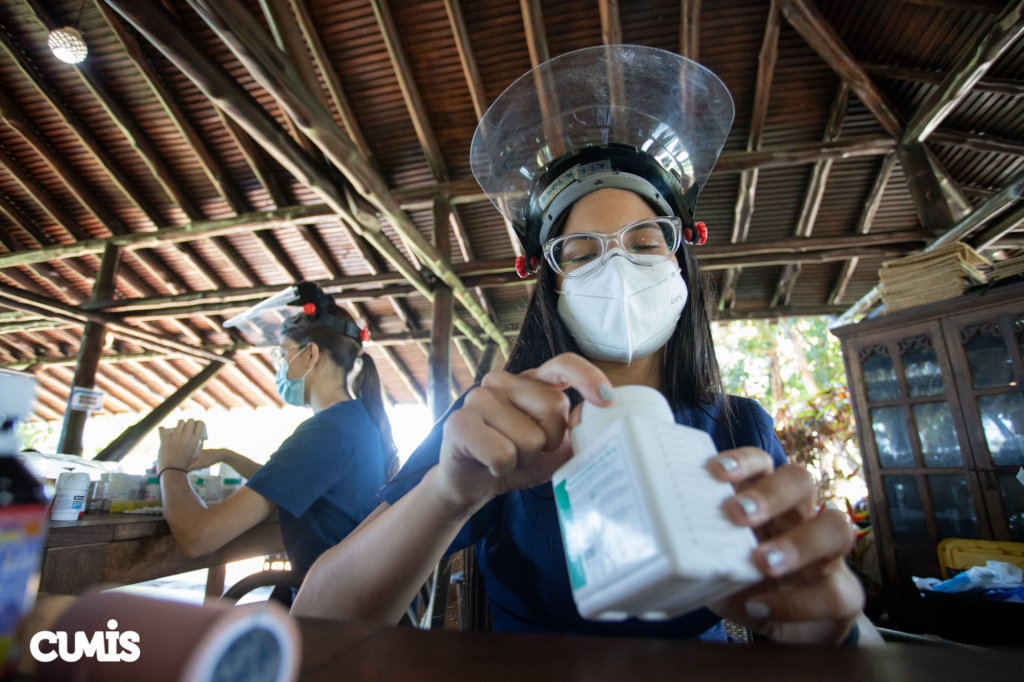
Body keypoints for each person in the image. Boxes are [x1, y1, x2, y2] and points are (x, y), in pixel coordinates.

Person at [292, 45, 879, 645]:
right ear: (552, 284)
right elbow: (318, 618)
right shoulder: (498, 425)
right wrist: (447, 493)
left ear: (682, 259)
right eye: (581, 254)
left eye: (646, 243)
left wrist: (824, 626)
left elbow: (814, 608)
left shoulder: (738, 428)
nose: (619, 267)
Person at [156, 283, 397, 603]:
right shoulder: (354, 422)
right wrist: (229, 456)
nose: (281, 366)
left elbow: (197, 537)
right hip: (348, 598)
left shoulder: (326, 432)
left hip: (326, 613)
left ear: (310, 354)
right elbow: (297, 483)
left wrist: (170, 466)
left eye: (283, 354)